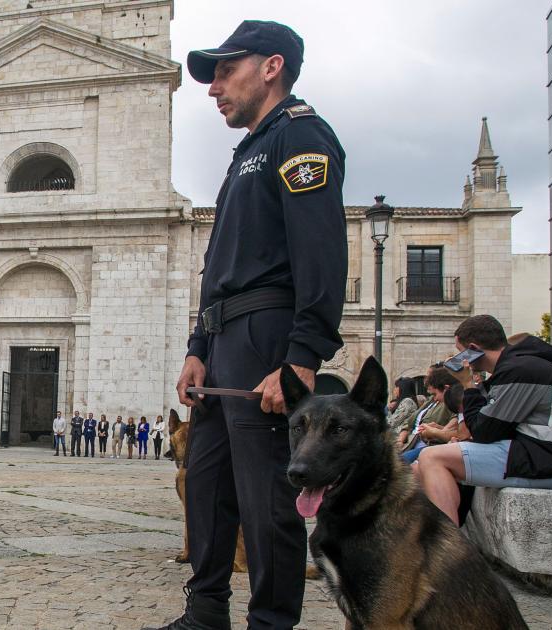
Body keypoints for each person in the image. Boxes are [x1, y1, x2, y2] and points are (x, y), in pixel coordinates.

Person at [165, 20, 347, 630]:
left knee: (268, 495)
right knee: (208, 483)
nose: (213, 86)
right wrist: (198, 345)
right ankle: (205, 611)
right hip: (221, 342)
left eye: (224, 69)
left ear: (271, 66)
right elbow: (222, 262)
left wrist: (300, 356)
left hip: (265, 333)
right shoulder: (248, 152)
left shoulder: (300, 137)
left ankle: (271, 623)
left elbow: (320, 253)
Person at [414, 315, 552, 525]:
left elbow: (485, 432)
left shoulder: (521, 370)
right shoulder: (517, 367)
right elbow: (492, 427)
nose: (459, 357)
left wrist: (468, 384)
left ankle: (448, 548)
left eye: (461, 350)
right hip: (543, 454)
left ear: (473, 348)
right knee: (419, 469)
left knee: (432, 458)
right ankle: (445, 536)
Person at [396, 368, 455, 460]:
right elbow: (408, 423)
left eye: (435, 394)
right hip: (411, 441)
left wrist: (433, 431)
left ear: (445, 389)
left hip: (426, 445)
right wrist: (400, 440)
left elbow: (453, 433)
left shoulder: (452, 404)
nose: (434, 398)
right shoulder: (430, 400)